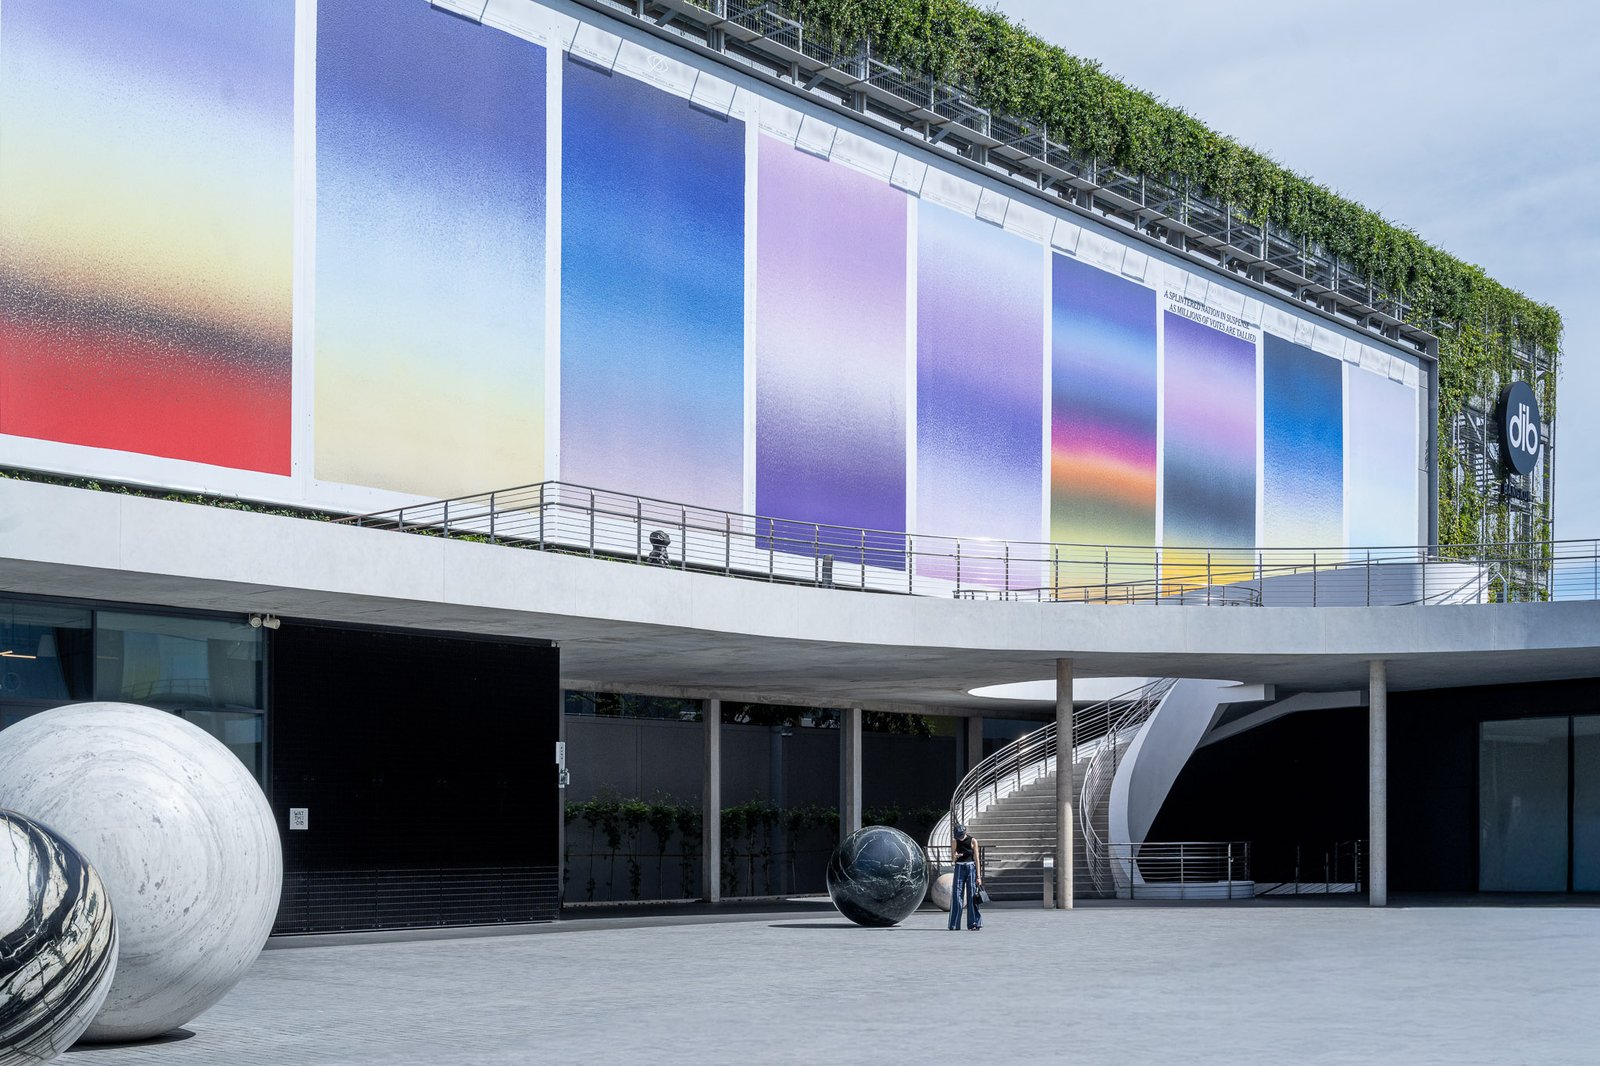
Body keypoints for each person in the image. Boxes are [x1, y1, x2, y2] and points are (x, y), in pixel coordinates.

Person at [948, 823, 983, 931]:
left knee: (972, 895)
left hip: (971, 868)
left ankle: (973, 923)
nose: (960, 839)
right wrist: (956, 856)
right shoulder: (955, 841)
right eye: (958, 837)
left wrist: (978, 876)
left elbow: (976, 859)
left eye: (961, 836)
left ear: (965, 833)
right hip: (959, 868)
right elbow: (952, 859)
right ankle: (954, 924)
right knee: (956, 895)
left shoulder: (973, 841)